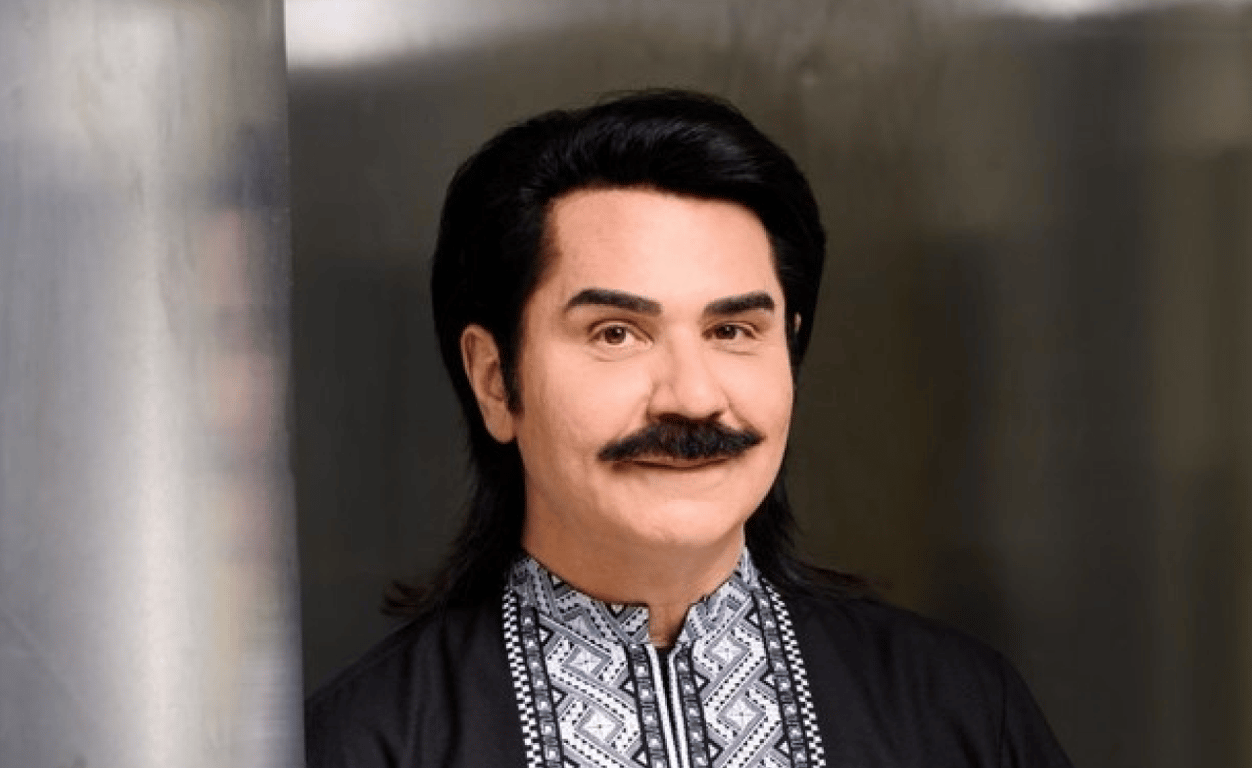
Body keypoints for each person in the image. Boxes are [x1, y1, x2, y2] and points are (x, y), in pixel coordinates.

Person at [305, 89, 1073, 768]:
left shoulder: (958, 713)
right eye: (616, 333)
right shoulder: (367, 742)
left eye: (732, 331)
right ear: (495, 380)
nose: (694, 398)